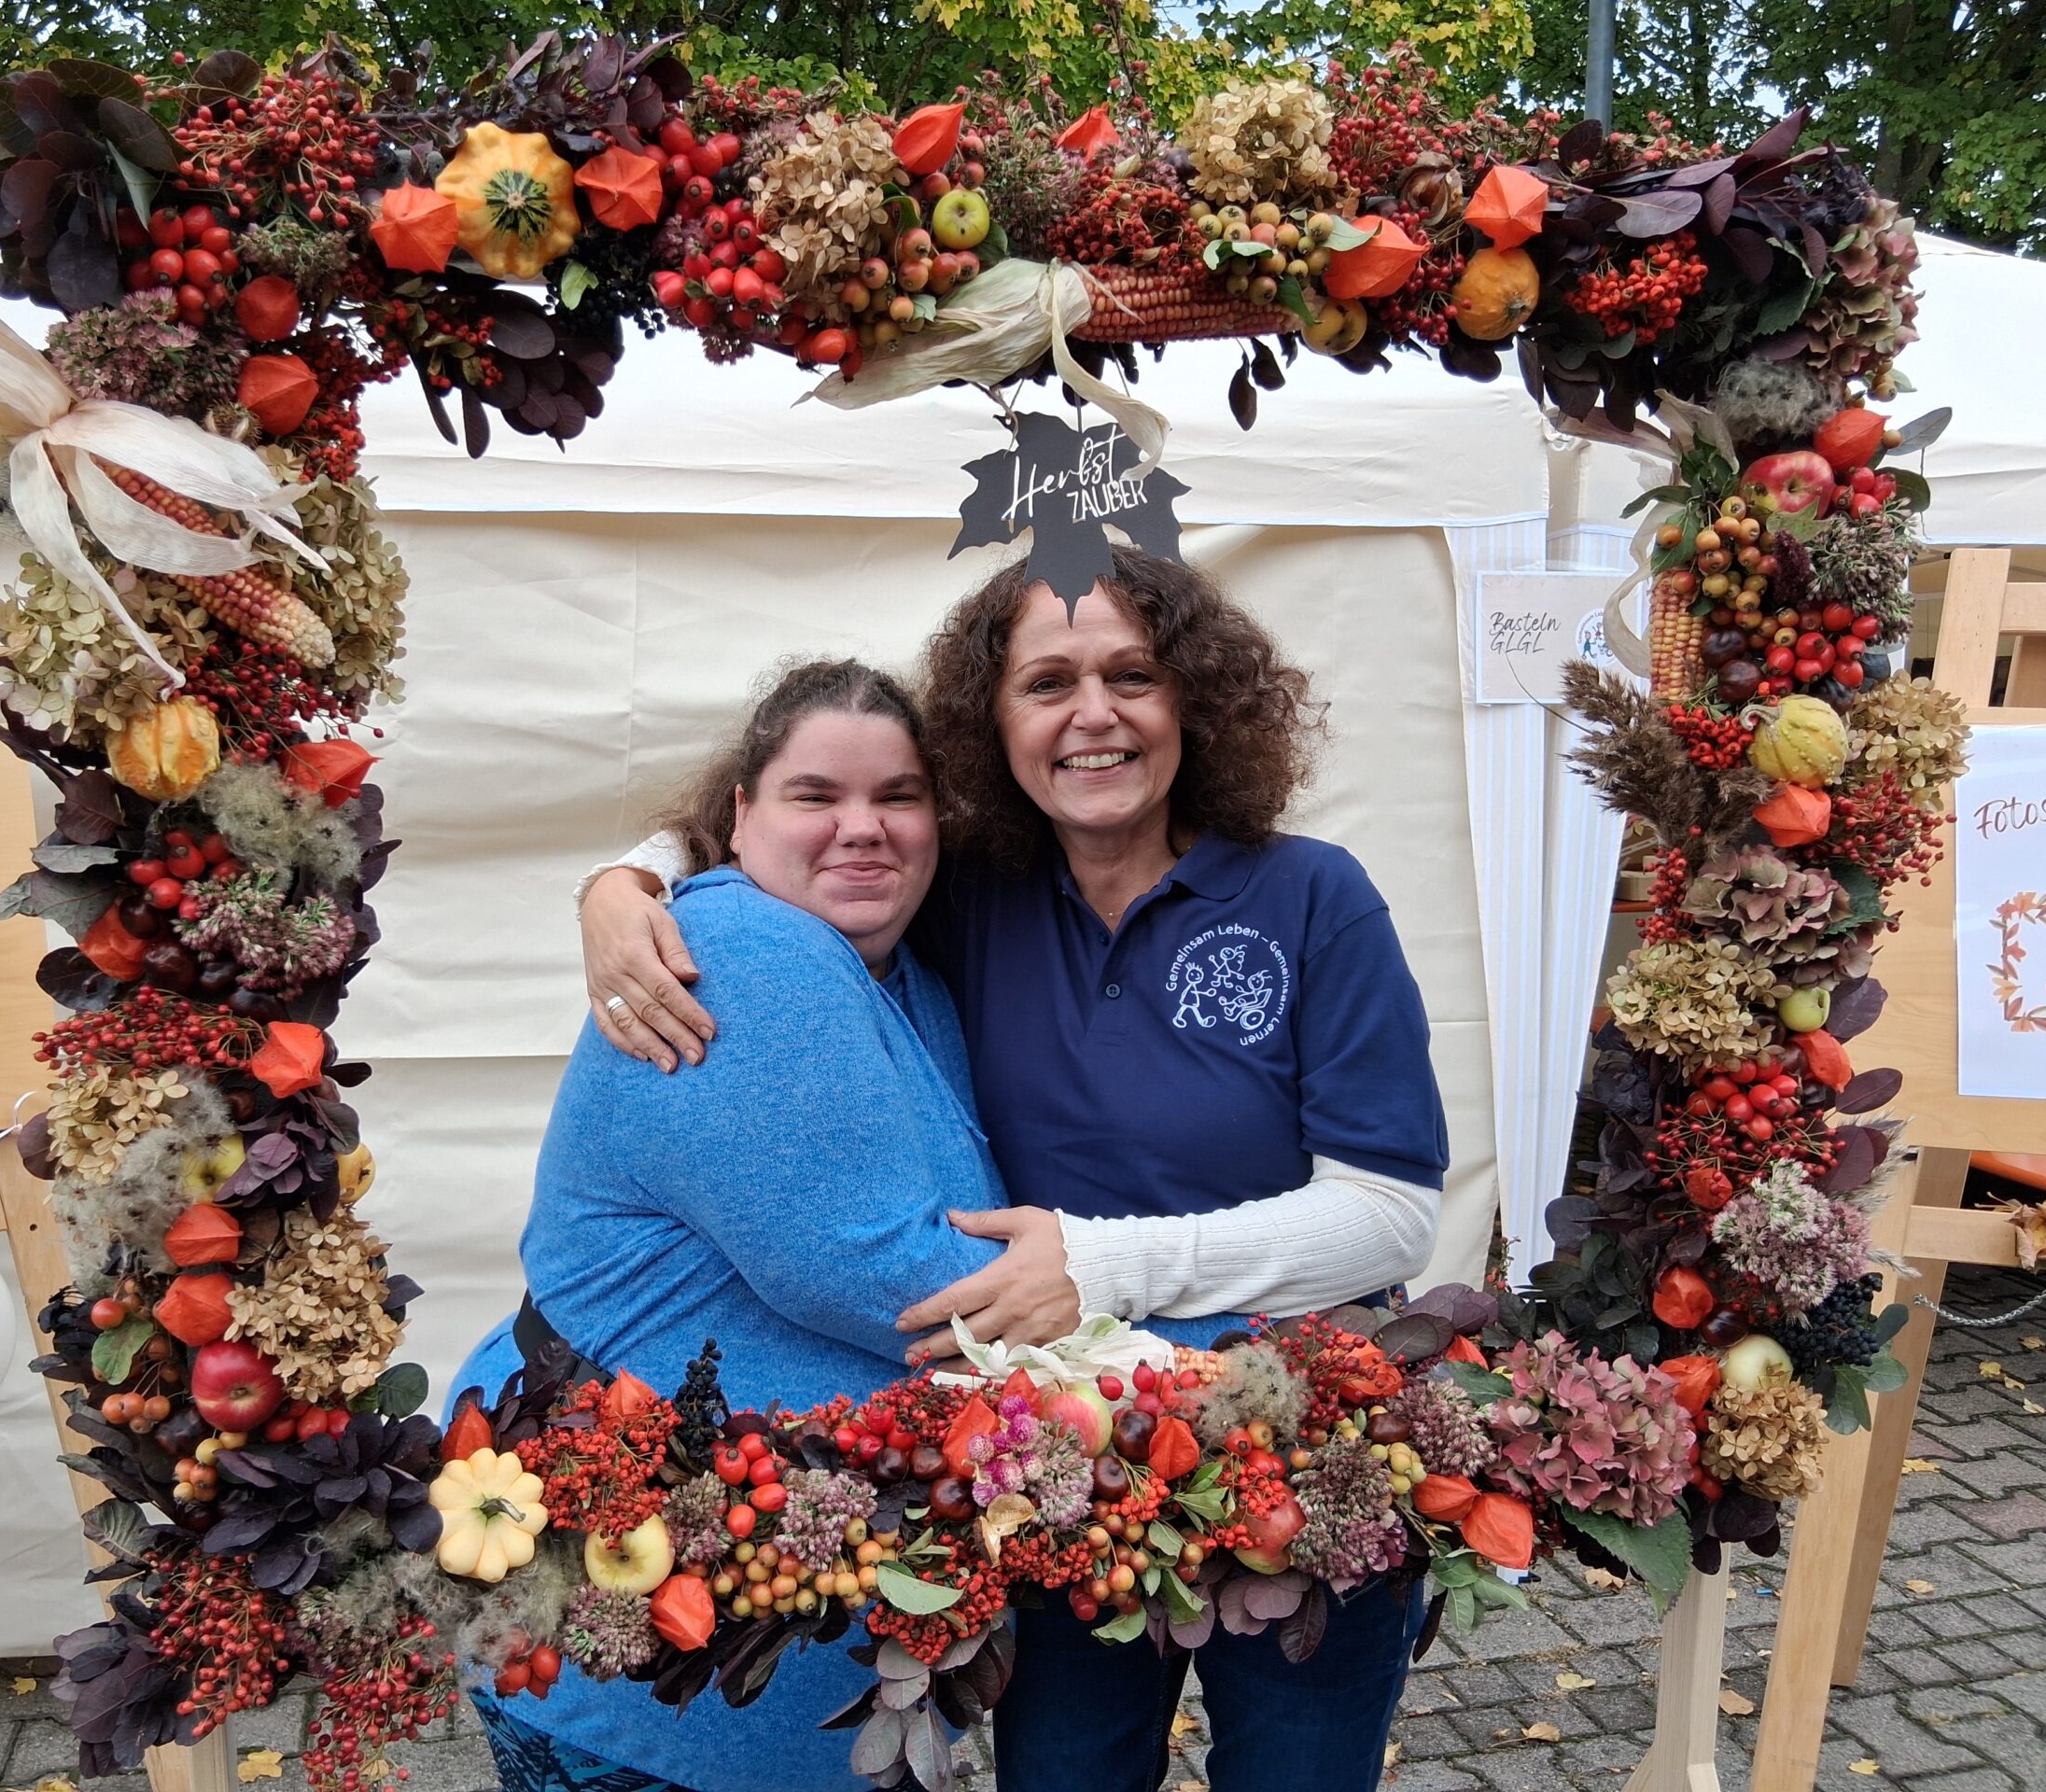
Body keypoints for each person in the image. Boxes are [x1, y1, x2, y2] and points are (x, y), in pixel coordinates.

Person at [579, 548, 1450, 1792]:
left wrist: (1106, 1264)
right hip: (1061, 1478)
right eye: (1048, 682)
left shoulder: (1313, 897)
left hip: (1298, 1458)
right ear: (994, 727)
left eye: (1132, 674)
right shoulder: (968, 893)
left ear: (1194, 700)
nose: (1093, 715)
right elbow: (804, 838)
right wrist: (622, 885)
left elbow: (1394, 1216)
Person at [455, 659, 1008, 1792]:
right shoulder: (751, 956)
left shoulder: (900, 970)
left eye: (898, 797)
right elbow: (884, 1277)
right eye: (816, 797)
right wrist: (1148, 1288)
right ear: (740, 817)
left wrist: (623, 873)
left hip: (743, 1639)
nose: (863, 828)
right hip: (658, 1668)